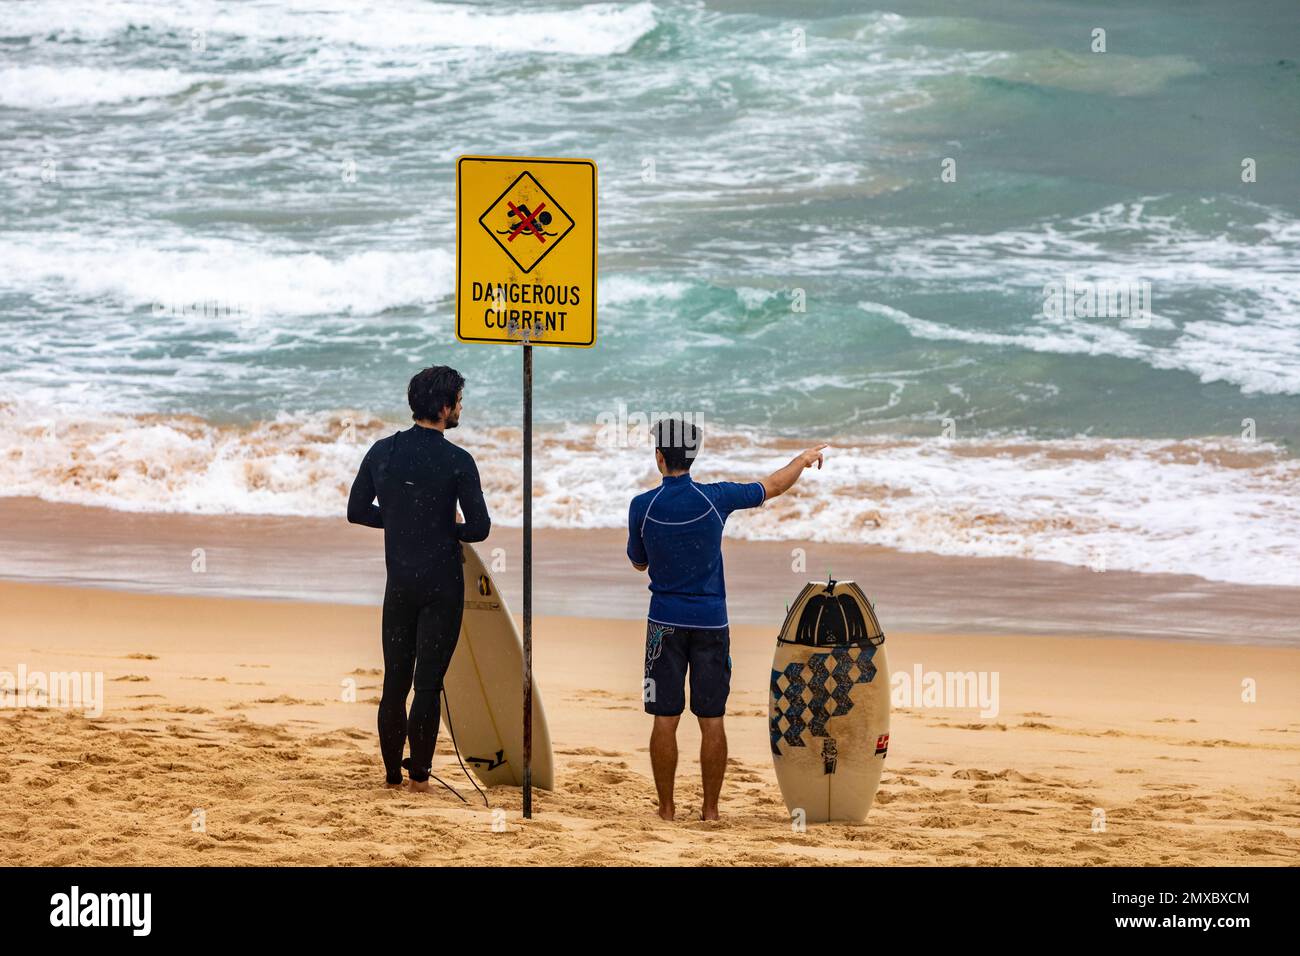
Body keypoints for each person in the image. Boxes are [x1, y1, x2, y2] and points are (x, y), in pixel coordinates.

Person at [626, 418, 827, 820]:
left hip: (663, 624)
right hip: (711, 625)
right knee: (711, 718)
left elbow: (638, 562)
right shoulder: (715, 498)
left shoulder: (642, 506)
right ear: (693, 455)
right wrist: (802, 460)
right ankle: (711, 811)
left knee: (665, 718)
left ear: (659, 457)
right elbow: (770, 486)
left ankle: (666, 811)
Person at [347, 366, 490, 792]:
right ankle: (420, 778)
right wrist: (447, 528)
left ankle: (391, 775)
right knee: (428, 683)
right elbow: (479, 528)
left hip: (399, 587)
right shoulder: (458, 461)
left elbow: (357, 510)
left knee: (395, 681)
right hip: (442, 586)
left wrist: (398, 519)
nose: (461, 408)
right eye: (459, 402)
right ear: (445, 408)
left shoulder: (382, 451)